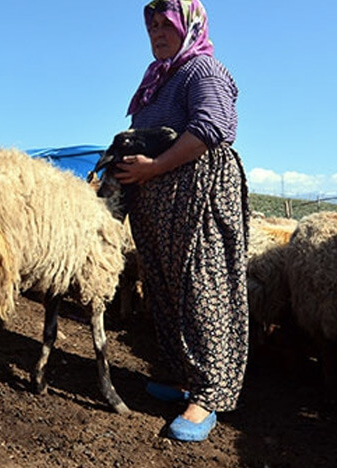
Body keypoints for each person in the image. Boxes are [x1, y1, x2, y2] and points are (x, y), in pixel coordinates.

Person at [115, 0, 249, 442]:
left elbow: (211, 129)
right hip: (158, 201)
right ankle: (178, 374)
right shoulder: (157, 80)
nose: (155, 32)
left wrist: (152, 167)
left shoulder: (202, 70)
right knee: (164, 287)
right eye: (150, 25)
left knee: (201, 285)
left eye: (164, 24)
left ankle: (209, 392)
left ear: (187, 24)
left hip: (198, 193)